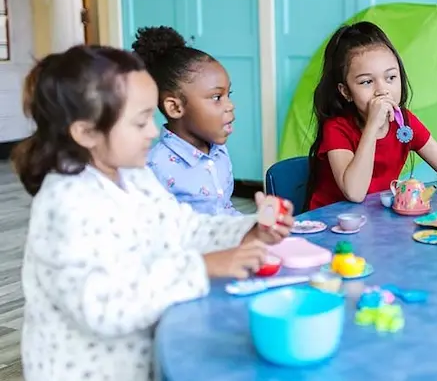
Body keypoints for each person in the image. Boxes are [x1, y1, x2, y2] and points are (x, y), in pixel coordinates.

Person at [12, 45, 293, 381]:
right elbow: (102, 305)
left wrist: (249, 230)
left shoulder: (136, 176)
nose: (154, 131)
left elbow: (183, 228)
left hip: (142, 359)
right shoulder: (66, 203)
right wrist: (201, 267)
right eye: (140, 121)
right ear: (86, 132)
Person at [305, 21, 437, 210]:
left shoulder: (405, 122)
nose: (382, 90)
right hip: (330, 223)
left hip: (373, 220)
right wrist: (372, 127)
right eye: (367, 82)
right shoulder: (336, 128)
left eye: (391, 77)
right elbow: (355, 192)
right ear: (346, 92)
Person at [133, 26, 238, 215]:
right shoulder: (154, 168)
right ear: (175, 108)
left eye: (228, 94)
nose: (230, 105)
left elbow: (225, 211)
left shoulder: (219, 153)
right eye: (216, 97)